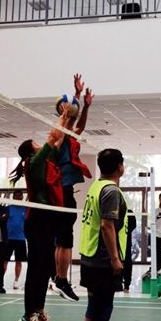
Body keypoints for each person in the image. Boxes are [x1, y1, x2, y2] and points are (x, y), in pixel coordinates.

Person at [10, 107, 68, 321]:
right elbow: (54, 136)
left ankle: (39, 309)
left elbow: (60, 137)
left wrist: (70, 116)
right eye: (35, 143)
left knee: (45, 268)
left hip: (47, 219)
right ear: (30, 151)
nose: (39, 143)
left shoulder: (45, 161)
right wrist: (63, 113)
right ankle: (27, 316)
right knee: (36, 268)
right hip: (36, 220)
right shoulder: (34, 162)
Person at [79, 149, 128, 321]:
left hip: (90, 257)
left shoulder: (96, 186)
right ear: (120, 166)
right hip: (102, 261)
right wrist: (115, 259)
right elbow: (107, 226)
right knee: (103, 310)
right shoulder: (111, 191)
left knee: (93, 307)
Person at [52, 74, 94, 302]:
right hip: (63, 191)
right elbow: (70, 122)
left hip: (66, 191)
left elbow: (81, 125)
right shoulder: (59, 138)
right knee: (65, 240)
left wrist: (85, 106)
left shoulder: (68, 138)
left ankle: (58, 278)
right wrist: (75, 96)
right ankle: (61, 279)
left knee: (62, 240)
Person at [5, 190, 28, 290]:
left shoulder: (26, 209)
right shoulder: (8, 209)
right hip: (8, 239)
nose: (18, 197)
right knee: (4, 260)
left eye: (19, 196)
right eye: (16, 196)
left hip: (21, 239)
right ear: (13, 197)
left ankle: (16, 281)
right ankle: (0, 280)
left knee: (19, 261)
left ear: (22, 197)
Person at [122, 208, 136, 293]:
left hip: (126, 242)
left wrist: (126, 231)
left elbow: (133, 225)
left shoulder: (129, 212)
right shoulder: (114, 210)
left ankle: (126, 285)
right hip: (115, 242)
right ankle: (116, 282)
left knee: (127, 263)